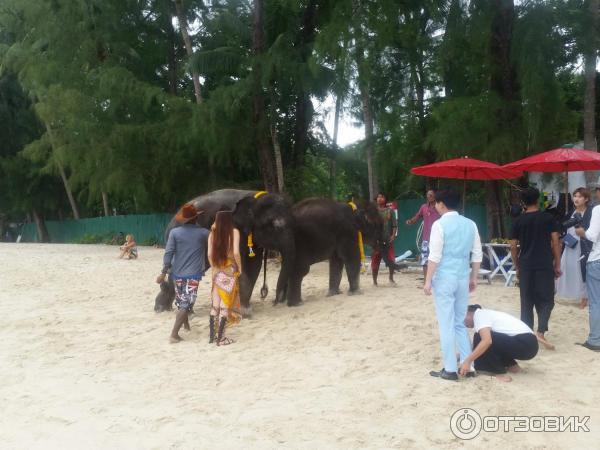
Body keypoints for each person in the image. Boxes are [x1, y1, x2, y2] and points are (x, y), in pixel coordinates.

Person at [424, 187, 483, 381]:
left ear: (441, 204)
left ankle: (450, 368)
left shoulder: (439, 225)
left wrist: (427, 281)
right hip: (462, 277)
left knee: (446, 324)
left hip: (444, 278)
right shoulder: (471, 224)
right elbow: (477, 254)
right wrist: (473, 277)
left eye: (436, 203)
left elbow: (434, 257)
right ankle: (470, 365)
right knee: (459, 323)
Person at [510, 187, 561, 350]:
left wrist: (517, 264)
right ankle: (540, 331)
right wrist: (558, 264)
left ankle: (526, 333)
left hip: (525, 264)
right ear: (538, 199)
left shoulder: (518, 221)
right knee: (547, 299)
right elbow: (555, 242)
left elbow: (513, 246)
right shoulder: (548, 218)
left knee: (526, 300)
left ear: (523, 202)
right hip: (544, 263)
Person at [156, 203, 209, 343]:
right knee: (186, 304)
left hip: (176, 274)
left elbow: (168, 253)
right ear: (195, 218)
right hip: (193, 275)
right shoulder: (203, 233)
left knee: (181, 301)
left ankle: (186, 325)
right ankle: (174, 334)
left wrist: (163, 272)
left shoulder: (174, 233)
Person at [460, 305, 539, 382]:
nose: (464, 324)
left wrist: (468, 361)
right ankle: (511, 365)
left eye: (462, 319)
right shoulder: (486, 314)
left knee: (480, 337)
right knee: (483, 340)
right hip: (529, 344)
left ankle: (497, 371)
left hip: (525, 344)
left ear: (468, 313)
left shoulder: (479, 315)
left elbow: (487, 341)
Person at [208, 210, 242, 346]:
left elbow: (210, 254)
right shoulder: (234, 232)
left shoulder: (212, 234)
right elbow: (235, 252)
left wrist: (214, 267)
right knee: (225, 303)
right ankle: (221, 339)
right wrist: (239, 267)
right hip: (229, 270)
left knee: (215, 303)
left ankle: (212, 336)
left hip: (216, 270)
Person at [557, 187, 592, 309]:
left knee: (582, 271)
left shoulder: (590, 213)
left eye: (580, 196)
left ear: (586, 199)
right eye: (575, 196)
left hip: (584, 246)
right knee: (569, 269)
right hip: (570, 245)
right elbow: (564, 229)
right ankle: (573, 294)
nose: (576, 199)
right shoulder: (570, 212)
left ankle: (585, 297)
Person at [575, 201, 600, 352]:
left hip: (597, 259)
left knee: (596, 302)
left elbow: (592, 235)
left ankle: (595, 340)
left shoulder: (598, 209)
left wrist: (581, 231)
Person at [406, 189, 441, 279]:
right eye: (428, 195)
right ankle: (426, 281)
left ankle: (437, 281)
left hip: (438, 239)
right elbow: (417, 216)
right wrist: (410, 221)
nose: (429, 196)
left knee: (438, 260)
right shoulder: (424, 207)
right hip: (426, 239)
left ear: (435, 196)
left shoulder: (440, 207)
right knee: (425, 261)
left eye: (431, 195)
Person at [371, 193, 398, 285]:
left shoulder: (390, 211)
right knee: (375, 261)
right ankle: (374, 281)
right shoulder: (373, 211)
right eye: (378, 197)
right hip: (376, 241)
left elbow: (394, 225)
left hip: (388, 240)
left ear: (385, 199)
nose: (379, 198)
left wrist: (393, 236)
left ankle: (391, 278)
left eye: (382, 196)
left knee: (391, 259)